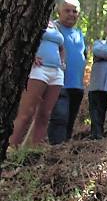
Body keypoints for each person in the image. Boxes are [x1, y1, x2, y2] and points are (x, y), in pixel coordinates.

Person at [9, 19, 66, 147]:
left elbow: (62, 47)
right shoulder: (37, 17)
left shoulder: (55, 25)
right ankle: (10, 147)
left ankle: (33, 149)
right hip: (38, 69)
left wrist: (62, 62)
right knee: (27, 112)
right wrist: (31, 55)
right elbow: (20, 39)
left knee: (45, 114)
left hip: (56, 72)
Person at [47, 0, 86, 144]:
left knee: (69, 120)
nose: (71, 14)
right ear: (59, 11)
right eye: (67, 10)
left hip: (76, 85)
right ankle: (56, 151)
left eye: (74, 11)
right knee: (60, 118)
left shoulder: (79, 34)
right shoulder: (53, 29)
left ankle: (64, 152)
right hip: (58, 82)